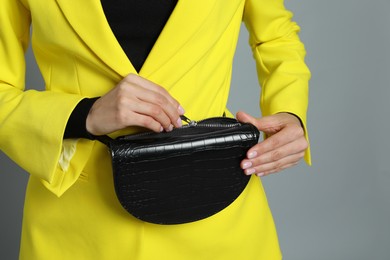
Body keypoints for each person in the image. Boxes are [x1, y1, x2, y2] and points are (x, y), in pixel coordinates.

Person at [0, 0, 310, 259]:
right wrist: (86, 114)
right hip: (77, 221)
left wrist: (290, 111)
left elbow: (276, 37)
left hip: (213, 204)